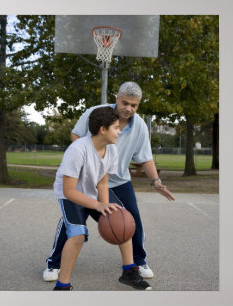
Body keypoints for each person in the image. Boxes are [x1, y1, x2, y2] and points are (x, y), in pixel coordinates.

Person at [44, 81, 175, 282]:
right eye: (125, 103)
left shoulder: (138, 125)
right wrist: (88, 162)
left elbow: (145, 157)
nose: (129, 108)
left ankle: (137, 263)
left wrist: (156, 181)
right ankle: (54, 264)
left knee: (129, 218)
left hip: (117, 179)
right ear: (117, 98)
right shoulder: (96, 113)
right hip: (87, 177)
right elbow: (76, 135)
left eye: (134, 105)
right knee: (72, 223)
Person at [52, 106, 151, 291]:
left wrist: (105, 206)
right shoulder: (77, 150)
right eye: (116, 127)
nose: (119, 131)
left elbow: (103, 182)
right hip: (71, 194)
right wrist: (96, 205)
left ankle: (129, 272)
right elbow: (69, 190)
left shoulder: (111, 149)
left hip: (93, 190)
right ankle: (62, 285)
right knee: (77, 235)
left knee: (122, 219)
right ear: (103, 129)